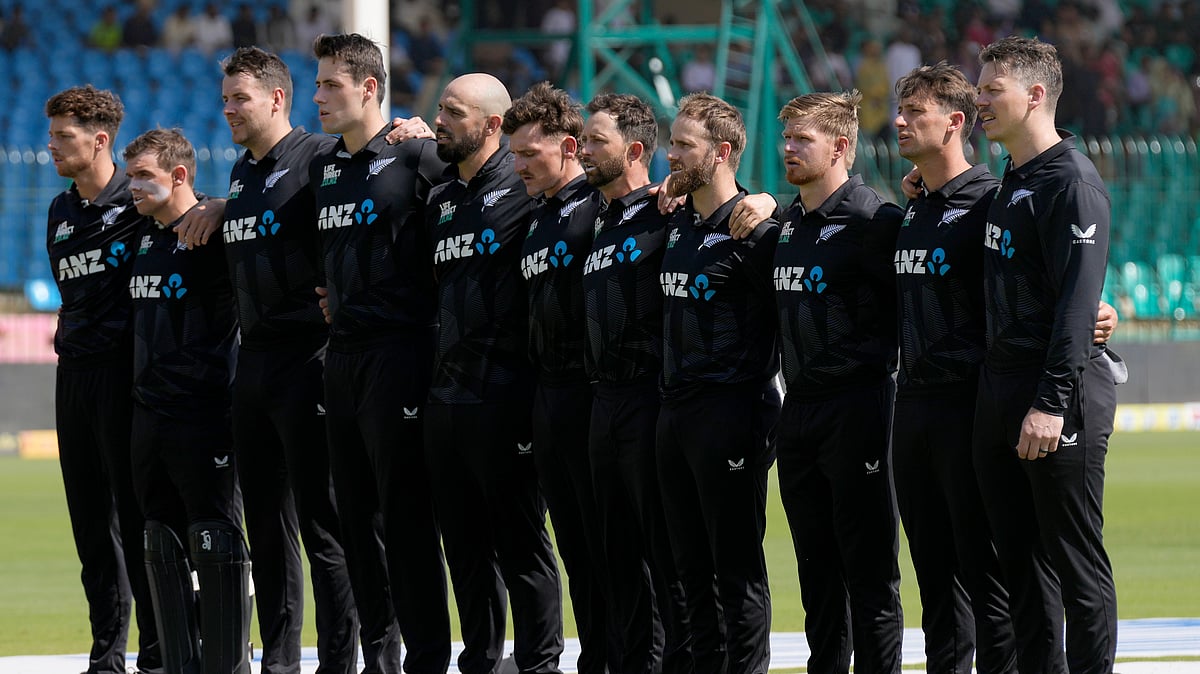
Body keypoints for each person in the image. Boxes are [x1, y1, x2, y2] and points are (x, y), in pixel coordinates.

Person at [972, 35, 1118, 674]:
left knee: (1076, 565)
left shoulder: (1073, 183)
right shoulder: (1014, 177)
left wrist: (1051, 403)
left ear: (1035, 95)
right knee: (1021, 568)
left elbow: (1079, 308)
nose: (979, 102)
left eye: (991, 90)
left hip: (1056, 398)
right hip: (1002, 390)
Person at [309, 33, 451, 674]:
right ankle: (379, 658)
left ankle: (427, 658)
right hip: (340, 358)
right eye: (317, 84)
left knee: (407, 517)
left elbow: (489, 184)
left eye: (330, 85)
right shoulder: (322, 167)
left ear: (369, 88)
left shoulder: (418, 154)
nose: (318, 97)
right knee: (354, 519)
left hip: (403, 354)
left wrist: (430, 133)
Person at [217, 46, 357, 674]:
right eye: (225, 99)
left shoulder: (321, 158)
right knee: (267, 529)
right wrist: (217, 207)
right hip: (252, 365)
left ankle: (339, 660)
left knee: (324, 526)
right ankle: (279, 661)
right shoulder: (240, 174)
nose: (228, 109)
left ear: (277, 99)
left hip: (309, 361)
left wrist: (409, 129)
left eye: (240, 98)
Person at [424, 72, 563, 674]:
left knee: (521, 545)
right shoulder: (438, 199)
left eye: (453, 112)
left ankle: (539, 665)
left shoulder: (526, 189)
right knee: (465, 551)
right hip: (446, 399)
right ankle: (479, 662)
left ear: (491, 125)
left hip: (508, 398)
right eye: (438, 109)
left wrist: (759, 201)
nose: (439, 120)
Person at [769, 90, 904, 674]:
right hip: (797, 411)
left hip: (859, 408)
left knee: (869, 573)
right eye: (787, 137)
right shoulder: (786, 222)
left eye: (804, 138)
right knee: (816, 574)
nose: (789, 148)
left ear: (840, 146)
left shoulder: (877, 221)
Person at [890, 62, 1018, 674]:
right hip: (911, 407)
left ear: (955, 122)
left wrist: (1101, 307)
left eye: (915, 112)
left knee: (985, 576)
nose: (899, 121)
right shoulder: (914, 205)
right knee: (934, 579)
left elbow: (1036, 277)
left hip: (970, 409)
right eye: (900, 110)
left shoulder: (990, 202)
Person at [656, 92, 781, 674]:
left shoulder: (756, 231)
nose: (671, 154)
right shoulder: (677, 220)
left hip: (732, 413)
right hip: (674, 413)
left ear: (723, 152)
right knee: (688, 572)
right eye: (672, 141)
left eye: (685, 145)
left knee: (736, 570)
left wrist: (769, 200)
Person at [44, 84, 162, 674]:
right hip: (73, 380)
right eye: (50, 135)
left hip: (124, 379)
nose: (52, 146)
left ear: (99, 140)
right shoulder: (59, 211)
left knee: (136, 520)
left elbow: (192, 212)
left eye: (63, 136)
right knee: (90, 527)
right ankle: (107, 657)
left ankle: (159, 650)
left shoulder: (138, 201)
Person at [124, 128, 249, 674]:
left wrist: (222, 206)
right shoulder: (142, 235)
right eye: (130, 175)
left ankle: (228, 665)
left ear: (178, 176)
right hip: (148, 416)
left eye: (143, 176)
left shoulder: (216, 235)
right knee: (159, 542)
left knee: (217, 543)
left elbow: (279, 211)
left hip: (204, 415)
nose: (132, 186)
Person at [578, 92, 690, 674]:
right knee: (615, 556)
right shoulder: (596, 216)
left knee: (665, 556)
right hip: (603, 403)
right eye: (583, 139)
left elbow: (733, 207)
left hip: (651, 398)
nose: (584, 150)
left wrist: (762, 198)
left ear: (635, 150)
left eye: (597, 141)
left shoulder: (668, 209)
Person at [506, 82, 610, 674]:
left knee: (611, 550)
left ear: (569, 147)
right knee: (574, 550)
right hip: (546, 398)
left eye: (530, 154)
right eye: (514, 154)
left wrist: (762, 202)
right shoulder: (534, 213)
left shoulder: (599, 204)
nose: (518, 165)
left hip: (593, 395)